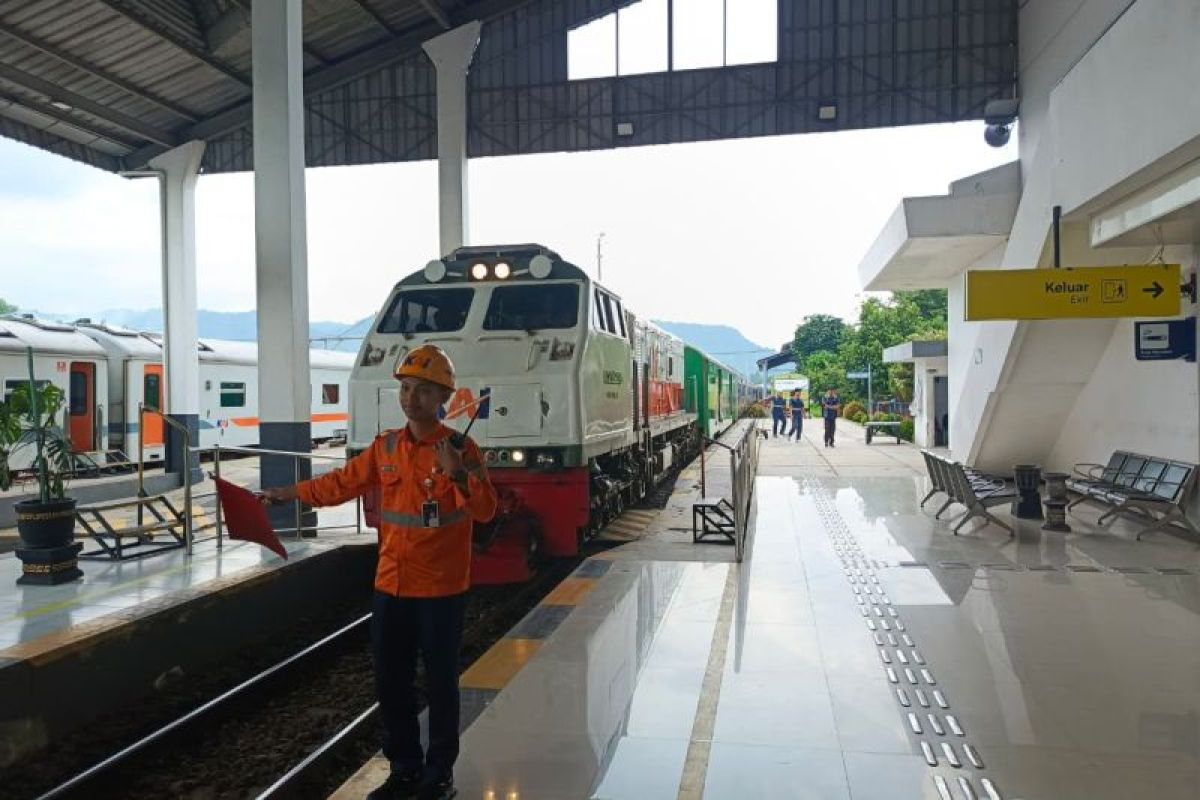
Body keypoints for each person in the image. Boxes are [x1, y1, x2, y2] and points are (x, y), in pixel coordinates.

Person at [261, 344, 497, 800]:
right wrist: (287, 492)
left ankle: (439, 775)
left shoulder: (462, 449)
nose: (412, 398)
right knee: (392, 683)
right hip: (391, 585)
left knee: (441, 684)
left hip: (441, 590)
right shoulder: (385, 446)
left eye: (425, 391)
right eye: (406, 388)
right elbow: (340, 483)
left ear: (443, 398)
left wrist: (459, 476)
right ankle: (404, 769)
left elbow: (485, 511)